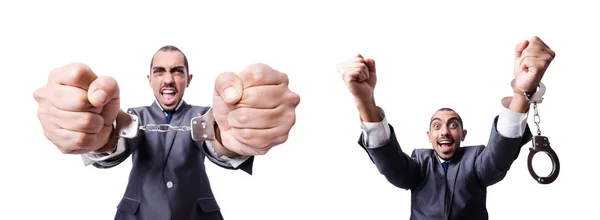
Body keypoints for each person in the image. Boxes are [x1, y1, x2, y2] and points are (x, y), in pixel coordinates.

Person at [33, 45, 300, 220]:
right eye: (159, 71)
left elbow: (217, 145)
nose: (168, 79)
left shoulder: (207, 116)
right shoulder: (134, 116)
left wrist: (233, 139)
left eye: (177, 71)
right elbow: (115, 143)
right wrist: (98, 140)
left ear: (188, 79)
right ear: (149, 79)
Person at [336, 36, 555, 220]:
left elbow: (499, 156)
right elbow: (390, 163)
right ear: (429, 136)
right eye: (437, 126)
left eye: (453, 125)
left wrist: (521, 92)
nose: (444, 132)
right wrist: (365, 102)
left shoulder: (476, 160)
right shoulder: (418, 165)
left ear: (463, 134)